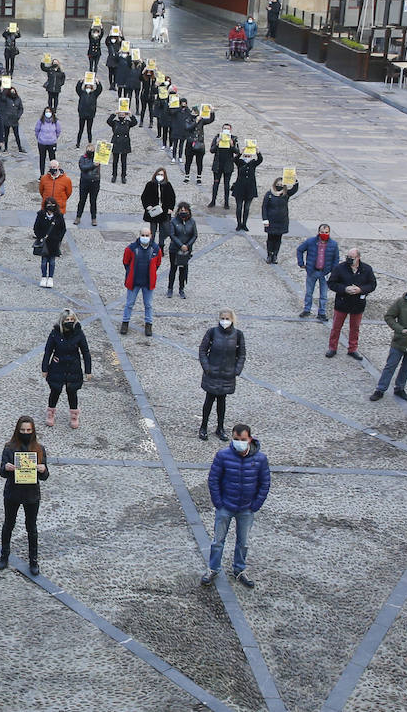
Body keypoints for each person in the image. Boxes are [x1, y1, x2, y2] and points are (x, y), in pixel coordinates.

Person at [201, 424, 270, 588]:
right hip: (226, 506)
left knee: (243, 542)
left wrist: (255, 505)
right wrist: (218, 502)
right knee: (218, 540)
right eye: (236, 439)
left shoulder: (260, 459)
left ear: (250, 439)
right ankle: (213, 568)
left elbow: (264, 483)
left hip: (246, 508)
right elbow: (213, 480)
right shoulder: (223, 456)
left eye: (243, 440)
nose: (239, 443)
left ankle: (239, 569)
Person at [0, 415, 50, 576]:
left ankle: (33, 560)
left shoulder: (39, 449)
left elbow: (45, 476)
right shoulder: (9, 448)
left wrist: (43, 470)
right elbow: (2, 472)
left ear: (33, 431)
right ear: (17, 431)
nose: (25, 432)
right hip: (13, 492)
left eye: (28, 430)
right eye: (22, 430)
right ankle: (4, 555)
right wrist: (6, 467)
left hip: (31, 494)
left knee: (31, 527)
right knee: (8, 525)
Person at [196, 308, 246, 442]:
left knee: (222, 402)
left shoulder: (238, 335)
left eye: (227, 318)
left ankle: (220, 427)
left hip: (227, 375)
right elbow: (202, 350)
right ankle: (203, 427)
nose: (225, 321)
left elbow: (241, 354)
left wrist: (236, 370)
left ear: (232, 320)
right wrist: (207, 368)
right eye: (222, 318)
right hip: (212, 373)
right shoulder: (212, 332)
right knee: (209, 401)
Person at [324, 247, 377, 360]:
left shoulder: (366, 269)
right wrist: (344, 289)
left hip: (358, 303)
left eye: (351, 258)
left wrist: (360, 289)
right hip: (342, 302)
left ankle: (353, 349)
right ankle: (332, 347)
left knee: (355, 328)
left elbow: (372, 285)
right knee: (336, 327)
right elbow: (331, 283)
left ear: (358, 258)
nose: (349, 260)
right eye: (348, 257)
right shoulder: (340, 268)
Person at [43, 309, 92, 430]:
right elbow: (48, 351)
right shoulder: (55, 333)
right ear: (62, 321)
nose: (69, 322)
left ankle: (74, 416)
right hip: (57, 366)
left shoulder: (78, 333)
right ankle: (51, 413)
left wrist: (88, 370)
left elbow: (85, 352)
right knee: (55, 390)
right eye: (67, 320)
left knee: (72, 391)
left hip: (73, 367)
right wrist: (44, 368)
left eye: (71, 320)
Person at [121, 226, 162, 337]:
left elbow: (158, 263)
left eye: (147, 235)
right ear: (139, 235)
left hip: (148, 283)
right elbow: (126, 262)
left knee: (148, 305)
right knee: (129, 304)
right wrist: (130, 272)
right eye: (143, 235)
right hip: (134, 282)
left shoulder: (156, 249)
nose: (144, 237)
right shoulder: (131, 248)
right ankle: (125, 323)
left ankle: (148, 324)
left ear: (151, 236)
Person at [294, 223, 339, 321]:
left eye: (326, 232)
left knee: (324, 295)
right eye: (322, 232)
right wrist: (301, 263)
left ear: (329, 232)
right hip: (312, 271)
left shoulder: (333, 244)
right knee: (309, 292)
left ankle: (322, 312)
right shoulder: (311, 242)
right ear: (318, 232)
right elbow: (300, 250)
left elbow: (336, 259)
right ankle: (307, 309)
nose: (324, 234)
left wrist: (333, 272)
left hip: (325, 272)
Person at [260, 175, 299, 264]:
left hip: (282, 220)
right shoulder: (269, 194)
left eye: (281, 185)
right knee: (270, 239)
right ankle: (269, 255)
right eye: (278, 184)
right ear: (274, 184)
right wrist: (265, 219)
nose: (279, 186)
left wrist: (294, 179)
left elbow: (294, 189)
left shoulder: (286, 194)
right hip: (271, 220)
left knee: (278, 239)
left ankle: (275, 255)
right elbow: (264, 207)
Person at [141, 167, 176, 254]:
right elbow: (144, 197)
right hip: (154, 211)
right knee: (152, 231)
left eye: (161, 175)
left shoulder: (168, 185)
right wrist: (147, 206)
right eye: (158, 174)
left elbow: (172, 197)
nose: (160, 176)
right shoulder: (150, 184)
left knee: (165, 230)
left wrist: (171, 208)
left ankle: (161, 246)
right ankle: (151, 247)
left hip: (164, 212)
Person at [32, 197, 66, 289]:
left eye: (52, 204)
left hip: (54, 242)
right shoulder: (41, 215)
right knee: (43, 261)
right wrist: (40, 237)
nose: (51, 206)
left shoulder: (59, 216)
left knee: (52, 261)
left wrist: (59, 239)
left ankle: (50, 277)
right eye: (49, 204)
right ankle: (43, 277)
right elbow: (36, 227)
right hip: (44, 242)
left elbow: (63, 229)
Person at [167, 201, 198, 298]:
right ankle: (170, 288)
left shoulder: (192, 222)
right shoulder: (174, 221)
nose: (183, 212)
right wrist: (181, 245)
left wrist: (187, 246)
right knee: (173, 268)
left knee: (183, 269)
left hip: (186, 250)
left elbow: (194, 235)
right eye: (181, 210)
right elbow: (172, 235)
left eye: (185, 210)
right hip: (175, 249)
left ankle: (181, 288)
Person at [231, 147, 264, 231]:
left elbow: (260, 160)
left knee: (247, 208)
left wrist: (258, 152)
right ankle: (239, 224)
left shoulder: (253, 163)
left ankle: (244, 224)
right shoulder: (240, 162)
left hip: (250, 188)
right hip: (240, 188)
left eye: (249, 154)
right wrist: (240, 153)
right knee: (239, 207)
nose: (248, 155)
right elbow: (234, 159)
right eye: (246, 154)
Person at [106, 105, 137, 184]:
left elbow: (135, 122)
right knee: (115, 161)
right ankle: (114, 175)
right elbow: (108, 121)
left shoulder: (127, 123)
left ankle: (123, 176)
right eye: (120, 115)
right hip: (116, 142)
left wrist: (130, 115)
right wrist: (114, 113)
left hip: (124, 143)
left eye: (123, 115)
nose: (121, 116)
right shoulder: (115, 122)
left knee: (124, 161)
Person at [73, 143, 100, 227]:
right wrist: (93, 165)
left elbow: (105, 154)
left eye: (92, 150)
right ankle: (78, 217)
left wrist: (103, 144)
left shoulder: (98, 158)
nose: (90, 152)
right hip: (85, 182)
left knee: (93, 201)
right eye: (89, 150)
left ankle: (94, 218)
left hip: (95, 181)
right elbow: (83, 168)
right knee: (82, 201)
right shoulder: (82, 158)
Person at [74, 80, 102, 149]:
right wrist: (80, 82)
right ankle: (78, 143)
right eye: (87, 86)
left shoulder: (94, 94)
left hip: (90, 114)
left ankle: (90, 143)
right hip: (82, 114)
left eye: (90, 86)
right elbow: (77, 88)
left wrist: (98, 83)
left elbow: (99, 89)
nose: (88, 87)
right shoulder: (82, 93)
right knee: (80, 130)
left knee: (89, 130)